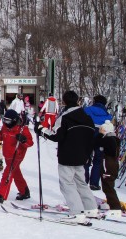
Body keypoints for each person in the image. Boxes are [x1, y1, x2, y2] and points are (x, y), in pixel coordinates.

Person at [41, 90, 98, 225]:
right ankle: (91, 208)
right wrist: (87, 155)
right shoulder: (87, 118)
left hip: (67, 155)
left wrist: (42, 131)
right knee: (81, 182)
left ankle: (77, 212)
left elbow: (56, 136)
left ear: (65, 101)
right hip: (82, 156)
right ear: (78, 101)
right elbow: (92, 138)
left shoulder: (65, 117)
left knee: (67, 183)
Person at [0, 110, 34, 203]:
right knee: (15, 173)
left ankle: (2, 194)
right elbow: (0, 137)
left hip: (17, 155)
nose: (6, 123)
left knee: (8, 173)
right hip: (7, 155)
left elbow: (30, 143)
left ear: (14, 120)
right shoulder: (5, 127)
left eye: (8, 121)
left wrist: (23, 140)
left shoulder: (22, 129)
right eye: (5, 120)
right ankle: (24, 191)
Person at [84, 94, 113, 190]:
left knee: (85, 159)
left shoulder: (86, 110)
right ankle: (94, 183)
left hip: (87, 136)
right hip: (101, 138)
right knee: (98, 160)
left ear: (94, 101)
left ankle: (84, 181)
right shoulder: (108, 116)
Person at [97, 120, 122, 217]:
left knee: (108, 186)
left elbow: (97, 142)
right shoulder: (113, 139)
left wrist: (100, 136)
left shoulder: (109, 139)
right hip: (111, 165)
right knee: (107, 185)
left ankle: (115, 207)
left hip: (108, 166)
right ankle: (113, 205)